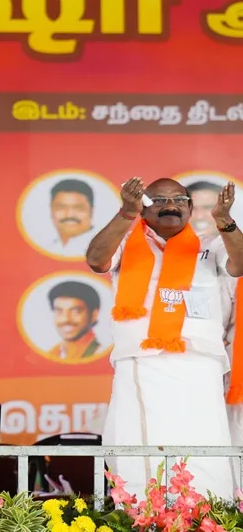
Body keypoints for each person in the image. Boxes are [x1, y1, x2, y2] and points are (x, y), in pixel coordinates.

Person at [86, 177, 243, 499]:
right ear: (143, 208)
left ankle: (210, 512)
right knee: (138, 445)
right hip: (141, 362)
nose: (170, 206)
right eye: (158, 200)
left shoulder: (211, 245)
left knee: (204, 443)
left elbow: (240, 264)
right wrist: (126, 213)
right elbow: (96, 260)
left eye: (179, 200)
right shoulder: (126, 243)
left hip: (200, 366)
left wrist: (225, 221)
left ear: (190, 207)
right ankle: (143, 514)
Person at [46, 280, 102, 361]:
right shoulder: (54, 354)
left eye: (76, 311)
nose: (66, 319)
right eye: (59, 311)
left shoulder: (99, 353)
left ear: (94, 315)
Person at [45, 179, 96, 256]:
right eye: (61, 207)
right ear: (51, 210)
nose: (70, 215)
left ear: (92, 211)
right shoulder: (49, 249)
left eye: (78, 208)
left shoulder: (102, 249)